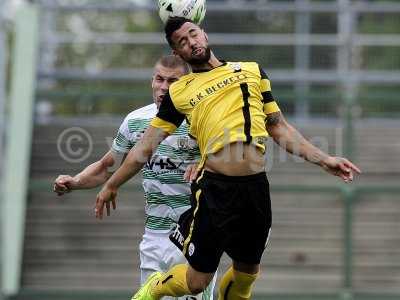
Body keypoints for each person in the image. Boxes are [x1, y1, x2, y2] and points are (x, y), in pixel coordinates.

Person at [94, 17, 361, 300]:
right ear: (177, 53)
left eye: (193, 34)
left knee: (246, 276)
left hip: (255, 188)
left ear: (204, 34)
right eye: (182, 42)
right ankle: (155, 287)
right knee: (197, 282)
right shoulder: (180, 91)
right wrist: (112, 184)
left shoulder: (251, 70)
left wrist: (324, 159)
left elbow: (278, 127)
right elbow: (144, 148)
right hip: (215, 190)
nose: (191, 43)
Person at [53, 55, 215, 300]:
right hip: (154, 236)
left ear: (187, 83)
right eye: (159, 79)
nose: (164, 87)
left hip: (192, 232)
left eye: (173, 81)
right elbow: (108, 166)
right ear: (152, 80)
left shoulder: (202, 119)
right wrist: (74, 182)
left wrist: (205, 163)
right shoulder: (136, 120)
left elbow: (231, 162)